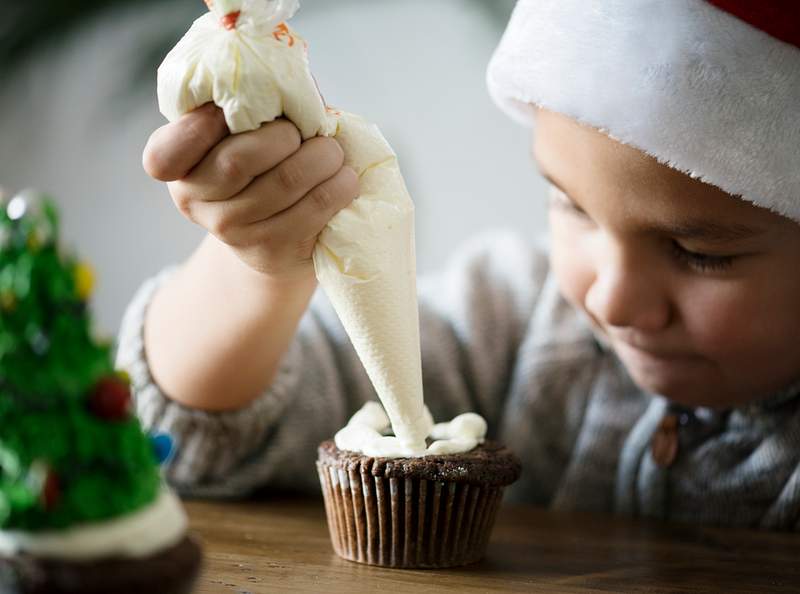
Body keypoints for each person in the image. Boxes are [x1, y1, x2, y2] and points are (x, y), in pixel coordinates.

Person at [118, 0, 800, 528]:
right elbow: (189, 442)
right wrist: (259, 261)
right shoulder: (506, 323)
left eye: (701, 253)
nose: (612, 302)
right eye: (571, 207)